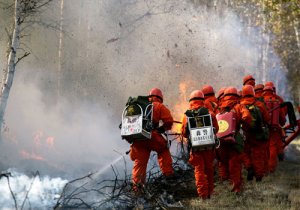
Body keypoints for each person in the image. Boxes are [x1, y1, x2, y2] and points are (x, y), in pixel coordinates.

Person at [129, 88, 174, 192]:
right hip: (151, 136)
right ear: (160, 98)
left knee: (139, 162)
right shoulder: (159, 105)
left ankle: (137, 188)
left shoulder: (139, 106)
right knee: (163, 148)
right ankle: (168, 175)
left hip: (139, 138)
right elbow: (169, 121)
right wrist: (162, 128)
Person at [181, 90, 219, 199]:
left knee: (199, 171)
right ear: (203, 100)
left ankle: (203, 195)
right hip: (209, 146)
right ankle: (210, 192)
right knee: (209, 169)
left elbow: (184, 133)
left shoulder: (187, 115)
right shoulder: (210, 113)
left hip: (195, 148)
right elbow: (216, 129)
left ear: (191, 101)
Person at [216, 87, 252, 194]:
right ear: (237, 96)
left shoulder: (219, 107)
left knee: (222, 162)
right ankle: (236, 188)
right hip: (233, 139)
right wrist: (242, 125)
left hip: (220, 141)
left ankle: (224, 183)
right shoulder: (238, 106)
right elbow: (247, 117)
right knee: (234, 165)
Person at [240, 85, 270, 182]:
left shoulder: (240, 104)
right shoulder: (259, 104)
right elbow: (267, 119)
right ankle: (258, 177)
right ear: (253, 93)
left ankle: (249, 168)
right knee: (258, 155)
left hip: (245, 134)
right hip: (258, 134)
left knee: (244, 152)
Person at [262, 86, 286, 173]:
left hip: (263, 129)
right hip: (274, 129)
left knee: (263, 149)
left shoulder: (260, 101)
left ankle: (262, 169)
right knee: (272, 149)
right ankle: (271, 170)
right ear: (272, 91)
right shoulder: (277, 101)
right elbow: (283, 119)